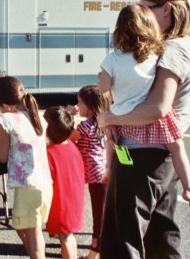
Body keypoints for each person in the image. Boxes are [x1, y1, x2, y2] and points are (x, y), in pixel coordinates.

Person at [97, 0, 190, 259]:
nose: (141, 16)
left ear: (165, 9)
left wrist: (110, 117)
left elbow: (156, 108)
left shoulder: (172, 49)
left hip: (140, 156)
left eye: (146, 8)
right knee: (161, 236)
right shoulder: (187, 46)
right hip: (163, 155)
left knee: (123, 238)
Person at [0, 76, 52, 259]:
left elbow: (0, 156)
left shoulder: (6, 119)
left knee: (33, 235)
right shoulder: (37, 115)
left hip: (27, 187)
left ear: (6, 106)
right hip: (45, 183)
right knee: (25, 227)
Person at [67, 85, 111, 259]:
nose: (78, 106)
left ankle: (94, 254)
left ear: (91, 107)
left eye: (80, 102)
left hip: (96, 178)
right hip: (105, 174)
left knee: (99, 218)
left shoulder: (85, 127)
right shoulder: (104, 122)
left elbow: (66, 136)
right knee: (104, 214)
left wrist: (69, 115)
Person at [43, 106, 85, 259]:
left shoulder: (49, 153)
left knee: (65, 238)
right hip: (74, 200)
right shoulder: (72, 146)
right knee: (68, 236)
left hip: (61, 204)